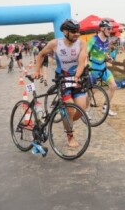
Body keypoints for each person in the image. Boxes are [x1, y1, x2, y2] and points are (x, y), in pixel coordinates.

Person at [32, 19, 87, 148]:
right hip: (62, 78)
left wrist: (77, 76)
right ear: (65, 31)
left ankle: (66, 120)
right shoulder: (55, 44)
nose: (77, 34)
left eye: (78, 31)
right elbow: (40, 55)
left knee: (82, 108)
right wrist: (37, 71)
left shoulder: (82, 44)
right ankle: (70, 135)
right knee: (70, 108)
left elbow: (81, 63)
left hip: (76, 77)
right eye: (73, 31)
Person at [87, 19, 118, 116]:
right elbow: (85, 53)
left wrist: (108, 58)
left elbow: (103, 53)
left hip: (103, 67)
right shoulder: (93, 39)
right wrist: (85, 66)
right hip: (93, 68)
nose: (110, 30)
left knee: (113, 86)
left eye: (111, 28)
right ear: (102, 28)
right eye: (109, 28)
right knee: (93, 90)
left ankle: (105, 107)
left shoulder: (107, 40)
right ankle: (85, 111)